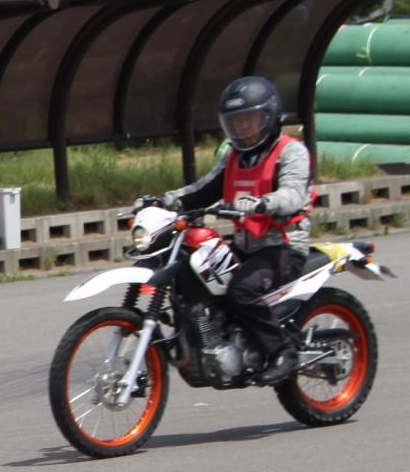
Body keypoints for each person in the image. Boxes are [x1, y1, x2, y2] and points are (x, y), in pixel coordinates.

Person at [135, 76, 315, 385]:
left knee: (242, 290)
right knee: (194, 273)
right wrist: (166, 200)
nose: (242, 127)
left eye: (249, 119)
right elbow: (203, 190)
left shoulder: (291, 152)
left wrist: (262, 203)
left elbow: (294, 194)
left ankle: (282, 351)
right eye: (235, 121)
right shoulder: (234, 155)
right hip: (246, 243)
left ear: (269, 117)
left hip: (284, 246)